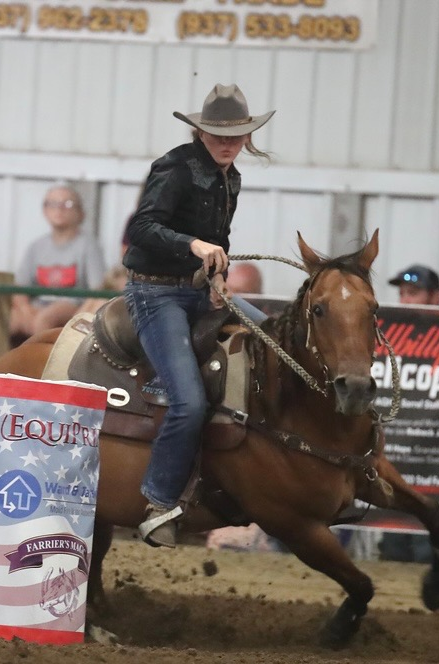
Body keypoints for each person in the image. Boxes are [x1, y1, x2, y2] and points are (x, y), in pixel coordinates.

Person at [122, 83, 274, 548]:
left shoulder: (231, 177)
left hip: (196, 291)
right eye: (217, 134)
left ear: (247, 137)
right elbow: (143, 229)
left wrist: (216, 276)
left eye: (237, 135)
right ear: (200, 133)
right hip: (156, 295)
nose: (228, 143)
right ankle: (159, 501)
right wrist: (194, 245)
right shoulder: (173, 168)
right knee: (187, 400)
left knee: (271, 341)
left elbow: (217, 240)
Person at [370, 263, 439, 563]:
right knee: (393, 546)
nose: (405, 300)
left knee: (427, 547)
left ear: (434, 297)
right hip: (396, 459)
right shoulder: (385, 333)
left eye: (413, 293)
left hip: (434, 464)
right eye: (402, 294)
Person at [9, 185, 107, 341]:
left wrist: (79, 315)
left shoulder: (88, 245)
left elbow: (98, 289)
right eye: (52, 204)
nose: (59, 209)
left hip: (71, 305)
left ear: (80, 213)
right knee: (11, 319)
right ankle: (1, 364)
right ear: (44, 210)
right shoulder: (36, 246)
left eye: (67, 204)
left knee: (45, 319)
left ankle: (43, 364)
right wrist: (25, 309)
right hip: (39, 304)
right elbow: (19, 286)